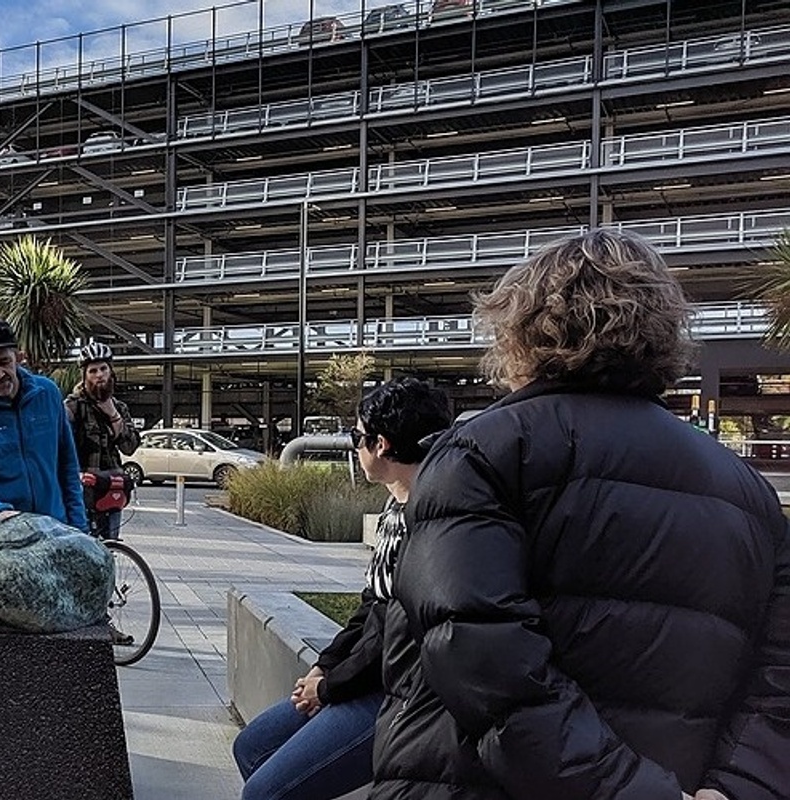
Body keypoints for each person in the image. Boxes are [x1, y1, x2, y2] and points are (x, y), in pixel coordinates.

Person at [372, 230, 789, 800]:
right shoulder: (750, 491)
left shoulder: (484, 451)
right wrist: (735, 789)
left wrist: (625, 790)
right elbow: (777, 675)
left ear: (522, 328)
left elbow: (478, 653)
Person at [232, 377, 449, 800]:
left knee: (264, 793)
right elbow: (371, 606)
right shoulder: (394, 504)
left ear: (381, 445)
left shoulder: (430, 519)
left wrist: (329, 688)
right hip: (367, 678)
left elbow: (396, 633)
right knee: (251, 746)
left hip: (402, 696)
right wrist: (322, 666)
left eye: (357, 436)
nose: (354, 445)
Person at [0, 319, 86, 529]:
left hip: (56, 527)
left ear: (19, 358)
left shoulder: (48, 393)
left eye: (4, 362)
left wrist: (80, 527)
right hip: (3, 532)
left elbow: (68, 466)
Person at [64, 341, 140, 540]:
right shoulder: (73, 407)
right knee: (82, 546)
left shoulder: (119, 407)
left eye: (104, 369)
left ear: (111, 371)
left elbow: (129, 447)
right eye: (93, 371)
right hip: (84, 491)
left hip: (112, 487)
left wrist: (113, 414)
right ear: (85, 375)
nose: (99, 375)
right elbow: (61, 448)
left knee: (110, 546)